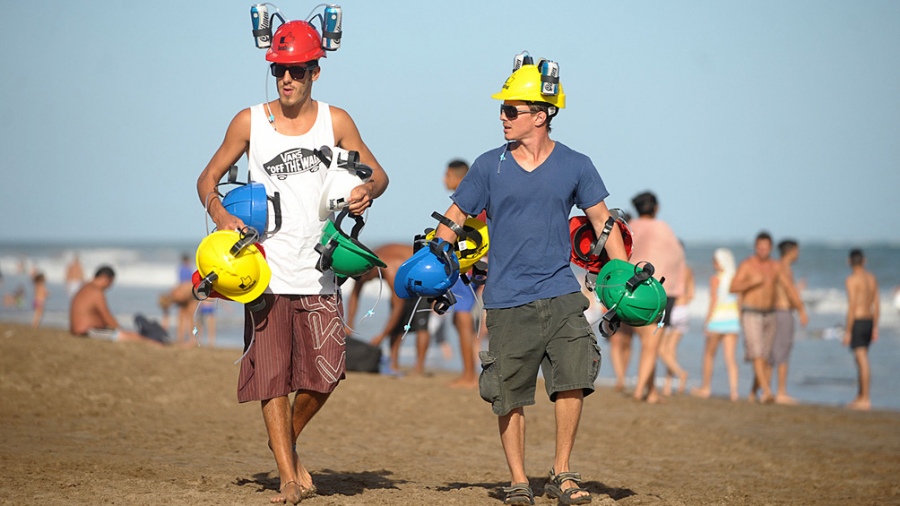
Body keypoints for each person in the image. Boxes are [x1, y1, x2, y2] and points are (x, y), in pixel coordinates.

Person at [195, 17, 388, 505]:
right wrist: (220, 215)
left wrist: (365, 190)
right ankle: (286, 474)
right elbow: (207, 180)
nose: (287, 78)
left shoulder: (336, 121)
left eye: (297, 70)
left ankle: (284, 440)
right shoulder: (249, 122)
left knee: (326, 373)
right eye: (280, 68)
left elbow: (379, 175)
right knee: (272, 377)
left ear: (315, 72)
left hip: (320, 270)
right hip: (263, 271)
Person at [432, 56, 627, 506]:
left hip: (561, 291)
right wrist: (435, 261)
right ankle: (519, 480)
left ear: (540, 116)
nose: (502, 117)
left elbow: (602, 221)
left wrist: (625, 274)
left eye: (511, 110)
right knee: (508, 393)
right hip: (504, 296)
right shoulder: (487, 166)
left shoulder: (577, 164)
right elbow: (455, 217)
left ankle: (562, 472)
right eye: (502, 110)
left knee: (573, 378)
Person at [625, 191, 686, 403]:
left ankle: (651, 391)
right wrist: (679, 290)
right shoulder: (663, 228)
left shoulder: (631, 226)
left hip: (633, 290)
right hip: (660, 292)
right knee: (652, 344)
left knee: (647, 342)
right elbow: (677, 258)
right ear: (656, 208)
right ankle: (639, 389)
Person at [730, 231, 803, 403]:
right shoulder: (747, 265)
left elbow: (788, 287)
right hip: (751, 313)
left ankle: (753, 392)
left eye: (766, 247)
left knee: (766, 358)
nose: (763, 250)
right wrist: (752, 282)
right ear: (755, 247)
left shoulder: (775, 266)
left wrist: (801, 309)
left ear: (770, 248)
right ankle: (768, 391)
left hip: (770, 314)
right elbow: (733, 287)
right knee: (756, 353)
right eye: (760, 247)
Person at [344, 244, 429, 375]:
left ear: (373, 272)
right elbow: (355, 295)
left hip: (423, 275)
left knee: (420, 324)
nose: (364, 282)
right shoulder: (365, 266)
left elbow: (398, 308)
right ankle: (393, 363)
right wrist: (349, 323)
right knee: (397, 326)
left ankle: (419, 366)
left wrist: (382, 336)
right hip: (405, 273)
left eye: (366, 279)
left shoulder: (391, 271)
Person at [441, 158, 483, 388]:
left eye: (447, 175)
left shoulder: (468, 202)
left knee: (462, 315)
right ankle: (468, 371)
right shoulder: (477, 198)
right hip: (477, 262)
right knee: (460, 318)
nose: (443, 179)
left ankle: (469, 374)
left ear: (458, 178)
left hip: (468, 264)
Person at [692, 248, 741, 401]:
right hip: (732, 320)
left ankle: (706, 388)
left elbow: (713, 301)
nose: (713, 264)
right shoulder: (735, 278)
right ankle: (734, 392)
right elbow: (739, 301)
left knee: (709, 355)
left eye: (715, 261)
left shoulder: (716, 279)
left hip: (717, 320)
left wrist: (707, 321)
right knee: (730, 358)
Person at [69, 266, 161, 344]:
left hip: (82, 330)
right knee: (135, 337)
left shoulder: (85, 287)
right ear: (105, 279)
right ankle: (156, 344)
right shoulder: (96, 292)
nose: (110, 286)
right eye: (110, 283)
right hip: (87, 332)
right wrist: (120, 329)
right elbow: (106, 316)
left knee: (131, 335)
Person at [770, 239, 809, 404]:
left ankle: (767, 389)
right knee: (782, 352)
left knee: (774, 352)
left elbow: (787, 290)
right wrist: (801, 310)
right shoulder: (783, 268)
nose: (798, 254)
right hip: (783, 312)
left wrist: (797, 289)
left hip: (778, 310)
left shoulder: (777, 267)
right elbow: (789, 291)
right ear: (791, 251)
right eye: (797, 251)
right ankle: (781, 392)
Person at [843, 249, 879, 410]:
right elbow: (877, 305)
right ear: (864, 261)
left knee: (861, 359)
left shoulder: (851, 280)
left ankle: (865, 399)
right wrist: (875, 326)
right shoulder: (871, 278)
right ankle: (860, 396)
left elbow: (851, 306)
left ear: (849, 261)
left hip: (858, 320)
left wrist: (848, 331)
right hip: (869, 320)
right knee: (861, 359)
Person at [659, 258, 693, 396]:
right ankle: (668, 386)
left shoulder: (670, 268)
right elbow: (691, 294)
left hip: (672, 308)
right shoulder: (688, 270)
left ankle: (681, 373)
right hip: (684, 310)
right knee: (671, 351)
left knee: (661, 350)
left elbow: (665, 291)